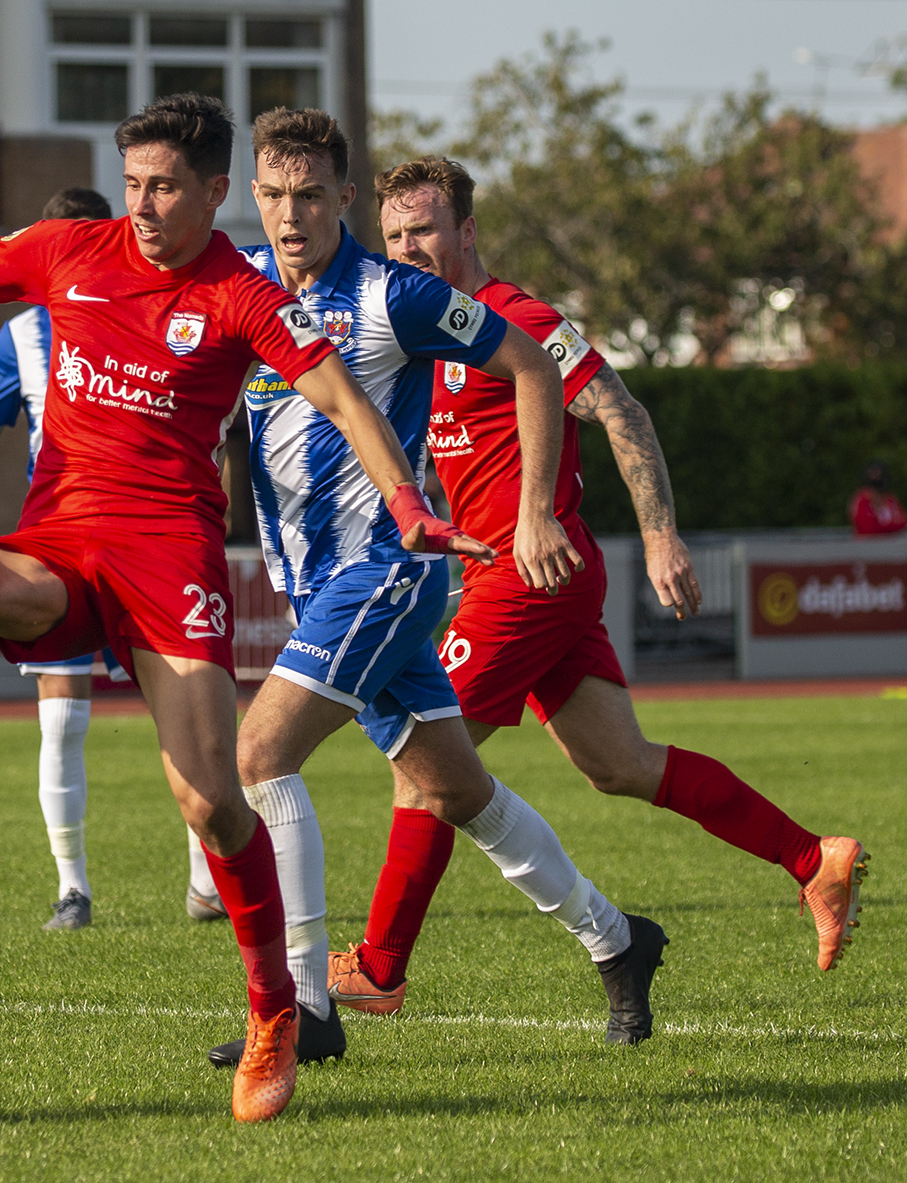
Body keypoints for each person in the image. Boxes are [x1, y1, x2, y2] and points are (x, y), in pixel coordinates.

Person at [0, 93, 481, 1123]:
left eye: (166, 187)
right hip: (61, 543)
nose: (145, 205)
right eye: (134, 184)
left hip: (170, 564)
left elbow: (341, 394)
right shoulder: (73, 248)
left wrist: (406, 503)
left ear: (215, 192)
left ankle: (273, 1016)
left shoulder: (245, 296)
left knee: (212, 799)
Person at [305, 155, 868, 1017]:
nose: (409, 247)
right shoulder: (423, 331)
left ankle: (380, 967)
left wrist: (655, 533)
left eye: (424, 229)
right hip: (518, 578)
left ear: (467, 230)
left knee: (424, 762)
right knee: (620, 764)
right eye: (394, 235)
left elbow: (620, 408)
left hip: (533, 573)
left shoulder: (517, 319)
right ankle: (811, 860)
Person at [205, 110, 664, 1069]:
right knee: (456, 789)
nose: (292, 217)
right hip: (316, 588)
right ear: (256, 195)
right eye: (275, 195)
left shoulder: (396, 295)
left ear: (344, 199)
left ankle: (302, 1010)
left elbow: (531, 364)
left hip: (385, 576)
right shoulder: (237, 282)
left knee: (258, 752)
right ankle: (618, 939)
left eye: (311, 196)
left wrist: (535, 507)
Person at [0, 184, 146, 932]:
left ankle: (206, 879)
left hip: (151, 542)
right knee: (63, 726)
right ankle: (73, 888)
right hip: (60, 550)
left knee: (193, 721)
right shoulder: (19, 335)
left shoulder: (144, 311)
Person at [850, 460, 906, 535]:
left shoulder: (890, 499)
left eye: (880, 475)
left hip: (891, 543)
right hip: (868, 544)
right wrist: (891, 528)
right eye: (874, 475)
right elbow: (866, 527)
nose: (877, 478)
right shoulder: (862, 499)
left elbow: (903, 521)